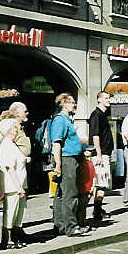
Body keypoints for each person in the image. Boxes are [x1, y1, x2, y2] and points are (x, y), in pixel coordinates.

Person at [50, 93, 87, 237]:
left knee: (61, 193)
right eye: (72, 102)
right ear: (64, 104)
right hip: (67, 159)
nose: (75, 105)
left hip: (70, 159)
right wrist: (58, 164)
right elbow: (56, 143)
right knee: (70, 193)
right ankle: (71, 227)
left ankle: (60, 225)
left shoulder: (67, 120)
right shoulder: (61, 120)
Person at [0, 118, 27, 249]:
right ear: (9, 130)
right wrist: (18, 187)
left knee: (19, 212)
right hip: (12, 185)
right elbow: (9, 167)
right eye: (15, 127)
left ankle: (15, 236)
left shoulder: (12, 144)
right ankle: (7, 239)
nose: (17, 130)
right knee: (11, 211)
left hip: (19, 184)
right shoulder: (6, 144)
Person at [88, 91, 113, 225]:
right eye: (106, 98)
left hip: (104, 153)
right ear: (99, 100)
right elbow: (95, 135)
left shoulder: (102, 115)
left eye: (109, 98)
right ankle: (97, 212)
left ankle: (98, 210)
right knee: (101, 185)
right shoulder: (96, 115)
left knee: (100, 184)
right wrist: (98, 155)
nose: (109, 100)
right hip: (101, 155)